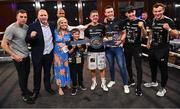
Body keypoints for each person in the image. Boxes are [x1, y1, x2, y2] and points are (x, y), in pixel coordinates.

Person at [144, 3, 179, 97]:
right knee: (152, 66)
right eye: (155, 11)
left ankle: (163, 88)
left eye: (159, 11)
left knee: (163, 69)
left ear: (163, 10)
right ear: (153, 12)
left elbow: (176, 35)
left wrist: (169, 29)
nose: (157, 13)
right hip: (153, 47)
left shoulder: (168, 20)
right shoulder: (153, 20)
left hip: (163, 48)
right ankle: (154, 82)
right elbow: (151, 32)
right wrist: (148, 42)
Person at [1, 9, 34, 104]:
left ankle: (25, 89)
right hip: (18, 58)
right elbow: (3, 45)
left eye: (25, 17)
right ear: (16, 17)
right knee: (22, 76)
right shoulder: (10, 28)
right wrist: (14, 55)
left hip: (26, 56)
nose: (23, 19)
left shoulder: (26, 27)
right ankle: (24, 94)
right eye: (21, 17)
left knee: (26, 75)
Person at [26, 9, 55, 100]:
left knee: (47, 73)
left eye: (45, 15)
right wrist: (31, 36)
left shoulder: (52, 25)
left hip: (49, 54)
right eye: (41, 15)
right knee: (37, 73)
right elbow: (26, 39)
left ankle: (48, 88)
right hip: (38, 55)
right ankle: (36, 91)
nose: (43, 17)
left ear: (47, 16)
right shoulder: (32, 26)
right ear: (38, 16)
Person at [103, 5, 130, 93]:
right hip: (108, 49)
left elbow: (124, 33)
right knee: (111, 66)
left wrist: (121, 41)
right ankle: (112, 80)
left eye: (111, 11)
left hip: (118, 48)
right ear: (105, 13)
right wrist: (104, 38)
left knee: (122, 66)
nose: (110, 13)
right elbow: (104, 34)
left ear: (113, 12)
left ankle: (125, 84)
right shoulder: (104, 23)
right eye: (108, 12)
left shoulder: (120, 21)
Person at [123, 5, 147, 96]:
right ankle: (131, 80)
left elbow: (144, 36)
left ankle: (139, 87)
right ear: (126, 14)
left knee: (138, 67)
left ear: (135, 12)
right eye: (129, 12)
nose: (131, 14)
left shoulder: (141, 21)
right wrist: (106, 19)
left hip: (137, 48)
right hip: (127, 47)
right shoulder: (125, 21)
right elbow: (117, 24)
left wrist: (142, 28)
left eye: (133, 12)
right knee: (128, 64)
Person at [84, 10, 108, 92]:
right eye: (93, 16)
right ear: (90, 17)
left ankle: (103, 83)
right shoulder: (87, 27)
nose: (95, 17)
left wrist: (105, 38)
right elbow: (86, 38)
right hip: (91, 52)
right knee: (92, 68)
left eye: (96, 15)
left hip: (101, 50)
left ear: (98, 17)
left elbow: (105, 36)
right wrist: (87, 42)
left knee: (102, 68)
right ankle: (94, 82)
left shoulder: (102, 26)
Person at [54, 17, 71, 95]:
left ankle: (66, 83)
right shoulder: (55, 32)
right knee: (59, 70)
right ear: (59, 24)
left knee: (66, 68)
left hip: (66, 53)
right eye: (62, 22)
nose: (64, 24)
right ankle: (60, 87)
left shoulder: (69, 32)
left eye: (65, 22)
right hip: (57, 53)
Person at [68, 28, 87, 96]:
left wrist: (80, 47)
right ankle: (74, 86)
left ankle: (81, 84)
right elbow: (68, 52)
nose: (77, 35)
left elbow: (84, 51)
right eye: (75, 34)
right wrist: (73, 48)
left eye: (78, 34)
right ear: (72, 35)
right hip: (72, 60)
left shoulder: (81, 41)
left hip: (80, 59)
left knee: (80, 72)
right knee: (73, 73)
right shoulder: (69, 41)